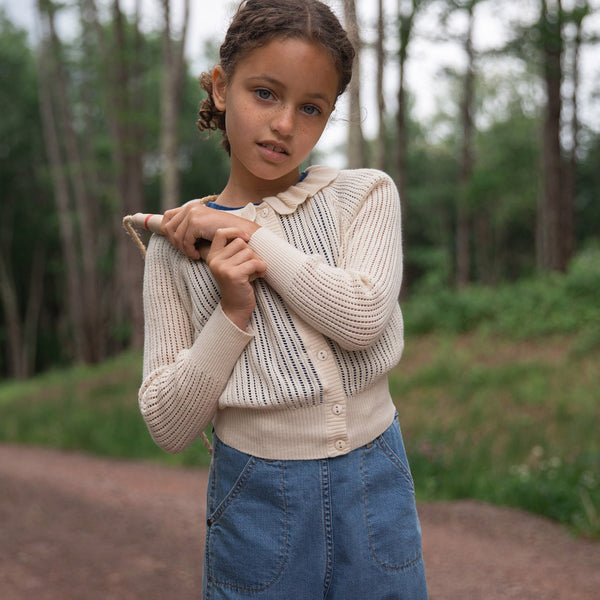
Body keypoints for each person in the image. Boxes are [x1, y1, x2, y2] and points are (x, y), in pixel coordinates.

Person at [138, 0, 428, 597]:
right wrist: (232, 313)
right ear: (221, 87)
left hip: (376, 483)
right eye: (265, 93)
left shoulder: (364, 195)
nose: (284, 124)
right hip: (256, 499)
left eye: (311, 107)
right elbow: (167, 422)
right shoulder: (176, 249)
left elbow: (363, 317)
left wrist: (252, 232)